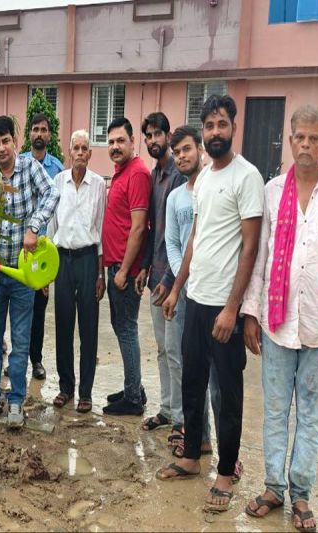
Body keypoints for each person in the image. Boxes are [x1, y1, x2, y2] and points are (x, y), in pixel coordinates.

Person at [241, 105, 318, 531]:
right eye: (300, 137)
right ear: (290, 140)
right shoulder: (274, 190)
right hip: (277, 322)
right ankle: (274, 486)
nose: (306, 145)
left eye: (314, 138)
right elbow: (261, 256)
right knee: (275, 411)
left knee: (310, 415)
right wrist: (251, 314)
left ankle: (301, 493)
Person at [156, 94, 264, 515]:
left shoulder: (246, 176)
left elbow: (251, 247)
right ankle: (190, 458)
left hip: (224, 307)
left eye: (222, 124)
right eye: (210, 126)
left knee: (229, 392)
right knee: (192, 382)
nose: (215, 132)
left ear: (233, 127)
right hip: (197, 299)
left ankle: (224, 473)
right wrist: (178, 287)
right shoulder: (204, 180)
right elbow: (196, 240)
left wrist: (233, 308)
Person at [0, 115, 60, 429]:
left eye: (6, 140)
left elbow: (52, 194)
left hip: (22, 276)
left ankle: (17, 401)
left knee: (21, 342)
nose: (1, 147)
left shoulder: (29, 168)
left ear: (15, 142)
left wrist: (34, 226)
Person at [163, 126, 221, 458]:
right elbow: (173, 242)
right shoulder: (175, 197)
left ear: (199, 149)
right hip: (184, 290)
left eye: (187, 149)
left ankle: (212, 438)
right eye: (177, 152)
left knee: (214, 372)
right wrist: (179, 283)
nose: (182, 156)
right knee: (185, 364)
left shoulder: (214, 187)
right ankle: (192, 431)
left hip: (213, 290)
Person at [47, 129, 105, 414]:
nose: (80, 153)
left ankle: (86, 392)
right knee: (63, 326)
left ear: (90, 154)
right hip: (62, 260)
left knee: (89, 329)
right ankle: (65, 387)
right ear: (69, 152)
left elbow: (102, 229)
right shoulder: (58, 182)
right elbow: (51, 227)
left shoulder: (98, 185)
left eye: (85, 148)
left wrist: (100, 273)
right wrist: (46, 272)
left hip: (87, 260)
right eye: (76, 148)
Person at [137, 112, 185, 430]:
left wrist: (171, 280)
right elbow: (154, 230)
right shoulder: (155, 175)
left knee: (176, 351)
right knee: (161, 348)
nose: (153, 140)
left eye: (158, 134)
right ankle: (166, 409)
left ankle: (181, 418)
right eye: (149, 136)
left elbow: (180, 236)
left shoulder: (179, 176)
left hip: (175, 278)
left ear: (168, 135)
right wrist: (145, 267)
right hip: (155, 275)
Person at [101, 117, 152, 416]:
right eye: (111, 142)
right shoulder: (123, 172)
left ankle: (133, 398)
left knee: (127, 328)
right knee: (120, 327)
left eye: (121, 141)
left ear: (133, 142)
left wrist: (123, 271)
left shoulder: (137, 174)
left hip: (125, 269)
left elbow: (138, 227)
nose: (115, 146)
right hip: (116, 265)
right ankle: (134, 386)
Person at [20, 113, 65, 381]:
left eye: (44, 130)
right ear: (29, 134)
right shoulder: (19, 164)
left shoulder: (58, 169)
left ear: (49, 135)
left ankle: (35, 360)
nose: (39, 133)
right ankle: (16, 357)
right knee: (17, 309)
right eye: (35, 129)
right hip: (20, 247)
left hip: (43, 250)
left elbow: (58, 214)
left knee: (38, 311)